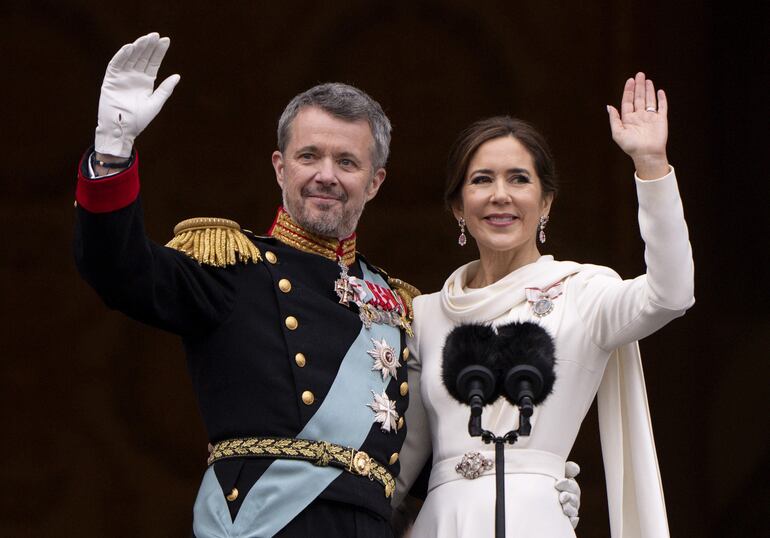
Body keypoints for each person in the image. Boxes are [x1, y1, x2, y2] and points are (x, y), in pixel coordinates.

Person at [74, 32, 583, 537]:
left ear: (375, 181)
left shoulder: (402, 306)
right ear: (279, 167)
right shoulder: (230, 265)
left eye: (346, 162)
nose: (326, 175)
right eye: (308, 156)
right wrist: (112, 152)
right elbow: (120, 270)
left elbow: (428, 451)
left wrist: (520, 484)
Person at [394, 72, 694, 537]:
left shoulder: (583, 291)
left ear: (546, 201)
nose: (500, 195)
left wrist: (651, 164)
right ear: (458, 206)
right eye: (481, 180)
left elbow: (670, 294)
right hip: (439, 523)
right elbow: (404, 458)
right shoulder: (425, 313)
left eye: (519, 179)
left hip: (533, 520)